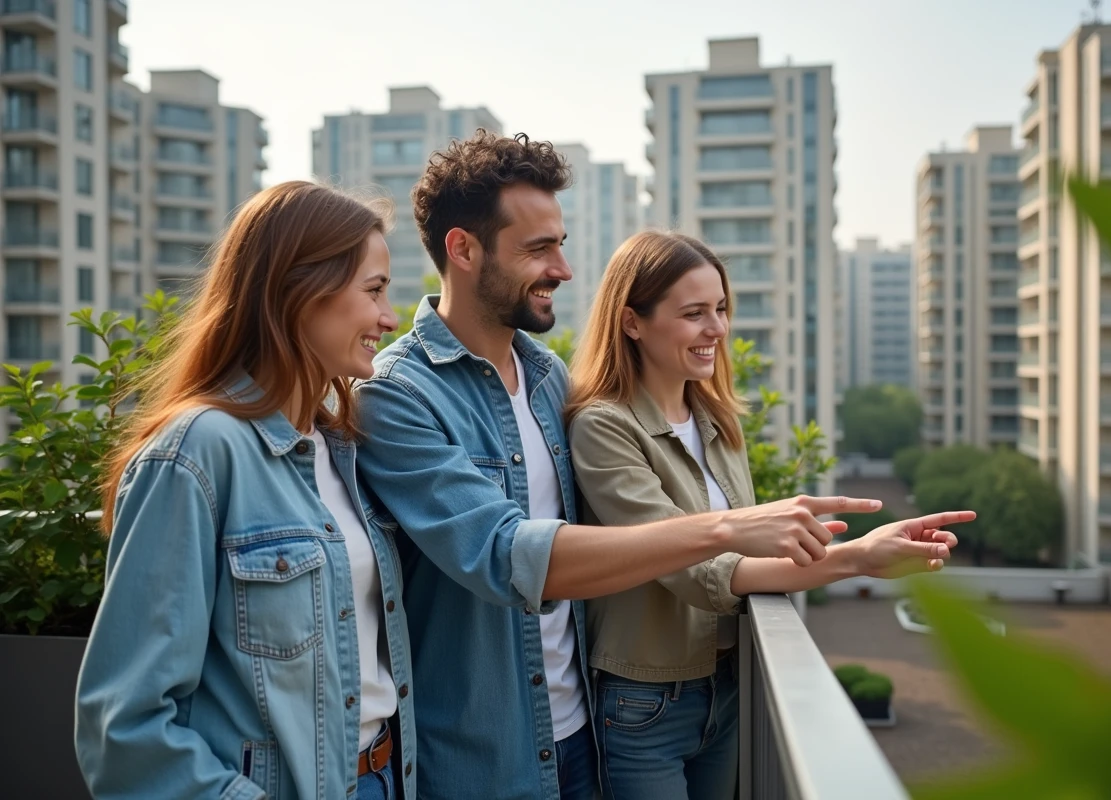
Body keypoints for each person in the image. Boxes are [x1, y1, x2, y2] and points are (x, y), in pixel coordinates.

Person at [354, 131, 881, 800]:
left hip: (585, 735)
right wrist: (726, 529)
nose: (564, 270)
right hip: (481, 762)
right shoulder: (396, 395)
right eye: (538, 249)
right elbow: (503, 554)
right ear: (463, 250)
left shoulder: (549, 379)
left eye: (562, 245)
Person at [565, 230, 975, 800]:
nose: (718, 330)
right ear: (632, 321)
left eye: (721, 309)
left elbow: (751, 554)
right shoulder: (604, 427)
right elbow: (690, 567)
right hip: (646, 702)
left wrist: (860, 547)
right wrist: (855, 560)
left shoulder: (717, 420)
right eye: (694, 313)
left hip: (730, 687)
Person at [75, 182, 416, 800]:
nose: (389, 317)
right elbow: (121, 728)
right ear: (298, 292)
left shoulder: (344, 450)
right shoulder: (197, 453)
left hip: (384, 777)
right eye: (374, 290)